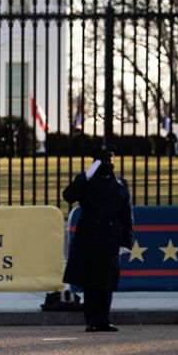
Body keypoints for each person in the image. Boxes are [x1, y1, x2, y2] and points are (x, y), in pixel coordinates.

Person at [62, 142, 134, 333]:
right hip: (90, 236)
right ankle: (92, 320)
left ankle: (105, 318)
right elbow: (68, 195)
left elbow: (126, 214)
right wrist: (85, 176)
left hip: (110, 238)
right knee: (91, 281)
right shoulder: (87, 181)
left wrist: (127, 241)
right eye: (103, 160)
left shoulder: (120, 184)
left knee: (107, 281)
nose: (108, 164)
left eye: (110, 160)